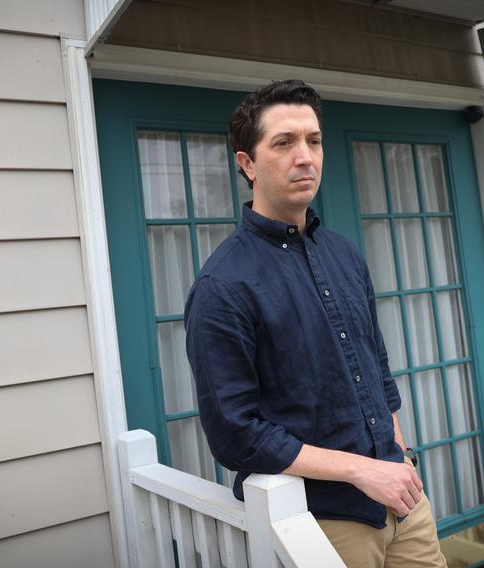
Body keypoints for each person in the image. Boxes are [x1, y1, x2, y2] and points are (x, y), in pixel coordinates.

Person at [184, 79, 447, 568]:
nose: (305, 156)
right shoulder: (223, 285)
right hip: (320, 524)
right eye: (284, 143)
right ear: (247, 163)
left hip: (404, 504)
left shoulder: (344, 253)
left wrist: (399, 459)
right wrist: (361, 471)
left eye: (314, 140)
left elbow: (377, 370)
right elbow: (235, 434)